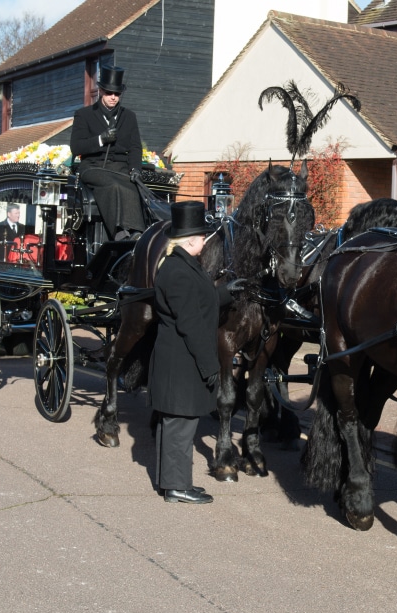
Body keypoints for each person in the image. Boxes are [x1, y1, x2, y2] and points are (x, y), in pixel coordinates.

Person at [148, 201, 245, 504]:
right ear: (190, 240)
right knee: (180, 425)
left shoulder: (183, 265)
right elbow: (191, 322)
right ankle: (177, 487)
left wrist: (230, 290)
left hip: (179, 361)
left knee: (176, 424)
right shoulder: (177, 271)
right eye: (202, 237)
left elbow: (203, 299)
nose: (205, 241)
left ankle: (172, 483)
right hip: (181, 362)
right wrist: (210, 366)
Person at [69, 66, 147, 240]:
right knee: (113, 185)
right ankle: (119, 232)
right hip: (93, 167)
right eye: (109, 93)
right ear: (101, 91)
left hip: (120, 168)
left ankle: (137, 232)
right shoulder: (84, 115)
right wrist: (101, 139)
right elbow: (76, 147)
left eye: (117, 94)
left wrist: (136, 169)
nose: (113, 97)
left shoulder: (129, 117)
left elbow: (135, 147)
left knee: (132, 186)